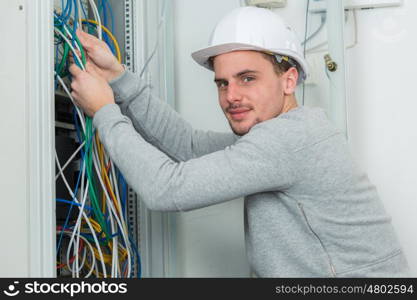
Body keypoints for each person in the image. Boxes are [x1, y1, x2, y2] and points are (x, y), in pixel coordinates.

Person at [69, 7, 410, 277]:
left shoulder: (288, 140)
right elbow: (188, 146)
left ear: (288, 80)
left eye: (247, 78)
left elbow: (165, 189)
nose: (232, 96)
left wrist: (104, 111)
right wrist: (118, 78)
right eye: (222, 83)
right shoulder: (288, 133)